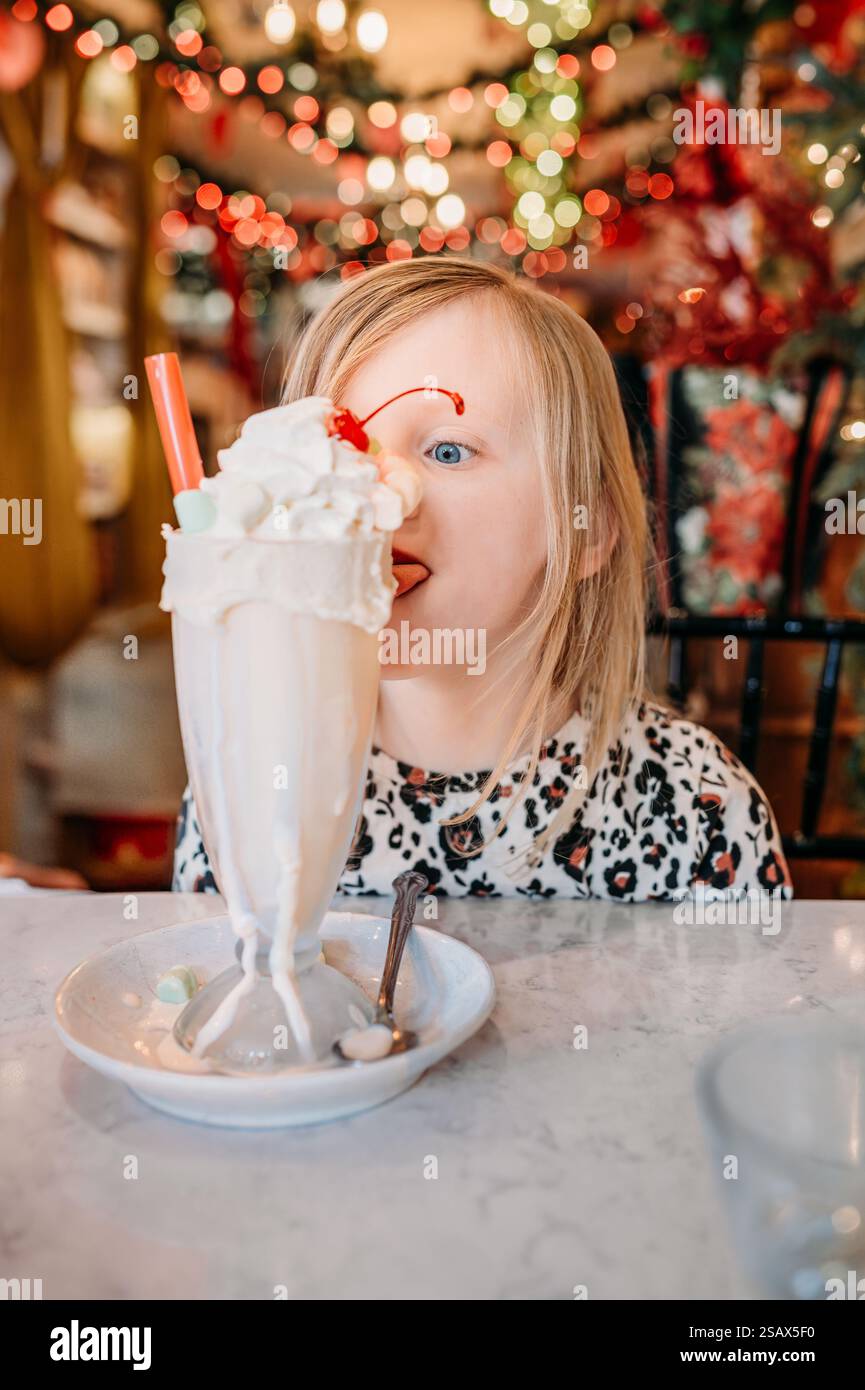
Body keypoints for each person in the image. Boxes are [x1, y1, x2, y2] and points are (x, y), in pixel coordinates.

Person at [172, 256, 791, 902]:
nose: (373, 493)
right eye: (345, 449)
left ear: (587, 528)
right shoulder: (250, 783)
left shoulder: (698, 810)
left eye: (446, 451)